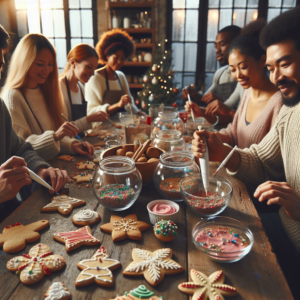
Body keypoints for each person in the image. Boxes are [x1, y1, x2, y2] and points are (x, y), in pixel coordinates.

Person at [191, 7, 300, 298]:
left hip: (293, 240)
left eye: (285, 64)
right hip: (283, 225)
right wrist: (221, 148)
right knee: (206, 238)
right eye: (273, 67)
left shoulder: (281, 103)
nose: (277, 77)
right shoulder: (292, 110)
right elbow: (262, 158)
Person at [0, 25, 68, 222]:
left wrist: (41, 169)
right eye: (40, 64)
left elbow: (20, 148)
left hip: (10, 216)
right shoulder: (13, 97)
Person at [1, 34, 94, 161]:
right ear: (24, 62)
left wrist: (72, 145)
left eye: (50, 64)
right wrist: (55, 136)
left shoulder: (47, 91)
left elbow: (56, 138)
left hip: (56, 166)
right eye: (40, 64)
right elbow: (22, 150)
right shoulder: (13, 97)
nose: (47, 70)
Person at [214, 19, 282, 149]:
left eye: (243, 67)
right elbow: (233, 133)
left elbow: (271, 158)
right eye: (233, 69)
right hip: (236, 168)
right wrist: (213, 137)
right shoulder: (248, 92)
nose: (238, 75)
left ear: (263, 61)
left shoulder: (278, 103)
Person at [86, 29, 139, 126]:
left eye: (122, 59)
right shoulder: (94, 78)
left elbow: (129, 104)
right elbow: (91, 111)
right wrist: (117, 105)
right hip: (100, 128)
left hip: (118, 126)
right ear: (107, 55)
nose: (119, 62)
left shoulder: (120, 76)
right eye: (116, 57)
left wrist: (139, 113)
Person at [60, 44, 108, 134]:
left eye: (94, 69)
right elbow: (62, 130)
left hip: (81, 141)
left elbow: (81, 125)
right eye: (89, 67)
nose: (93, 74)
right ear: (73, 63)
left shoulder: (81, 88)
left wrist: (94, 119)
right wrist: (90, 118)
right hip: (68, 145)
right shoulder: (59, 88)